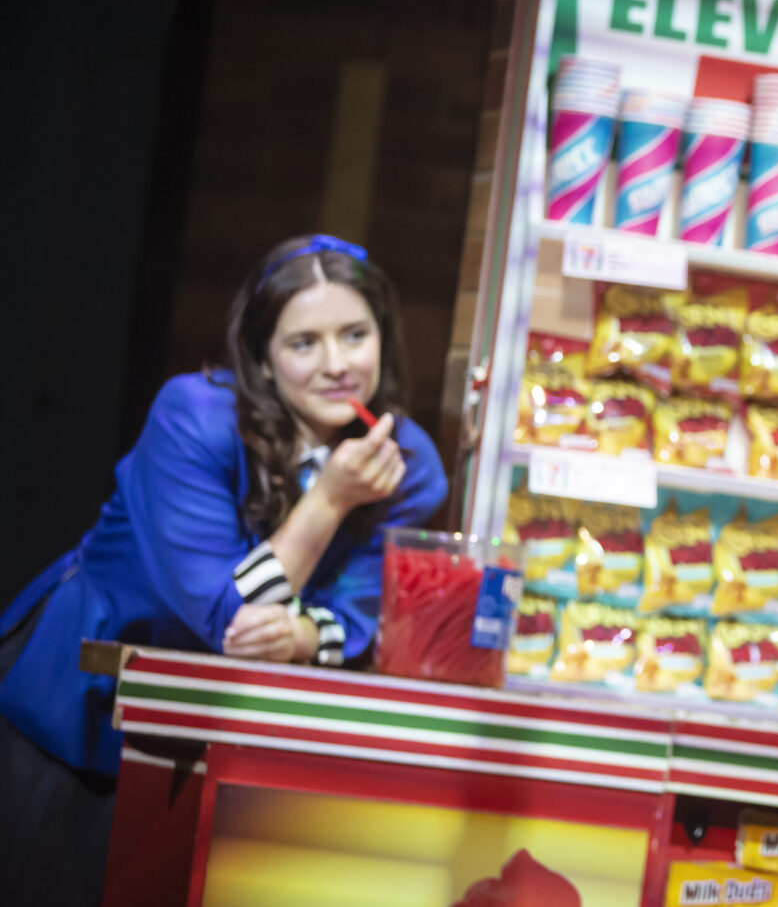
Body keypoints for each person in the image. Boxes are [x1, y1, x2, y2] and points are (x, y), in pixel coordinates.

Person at [0, 234, 450, 906]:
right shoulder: (193, 415)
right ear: (264, 358)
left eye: (355, 334)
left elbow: (367, 618)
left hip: (232, 733)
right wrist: (328, 499)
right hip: (83, 704)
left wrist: (302, 638)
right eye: (304, 343)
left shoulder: (403, 458)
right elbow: (228, 617)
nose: (337, 364)